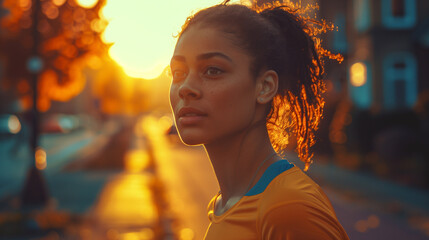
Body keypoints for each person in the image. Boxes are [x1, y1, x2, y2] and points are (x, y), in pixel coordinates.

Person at [169, 1, 349, 239]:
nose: (185, 88)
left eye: (212, 70)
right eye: (178, 73)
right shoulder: (226, 204)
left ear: (264, 87)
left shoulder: (287, 208)